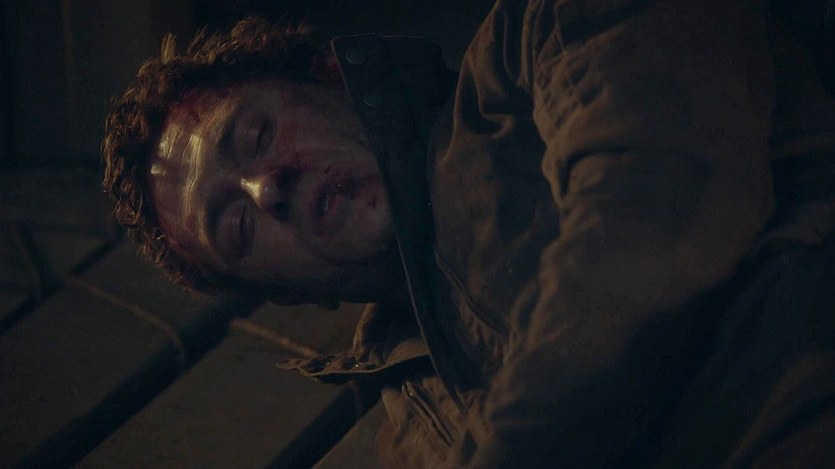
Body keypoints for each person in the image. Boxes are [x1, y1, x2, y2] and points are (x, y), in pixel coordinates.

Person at [102, 1, 835, 467]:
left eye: (255, 134)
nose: (268, 189)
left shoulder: (538, 36)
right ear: (283, 292)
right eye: (236, 225)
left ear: (329, 75)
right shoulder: (413, 433)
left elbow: (654, 206)